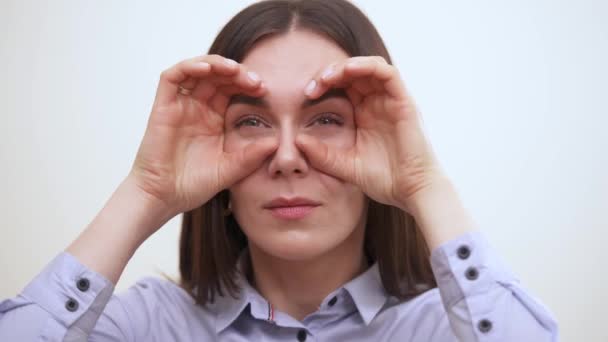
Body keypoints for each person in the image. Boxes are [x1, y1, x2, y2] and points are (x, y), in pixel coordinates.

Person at [0, 0, 558, 341]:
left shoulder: (446, 328)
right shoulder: (148, 326)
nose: (288, 158)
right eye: (252, 124)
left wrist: (423, 184)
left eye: (325, 119)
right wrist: (145, 190)